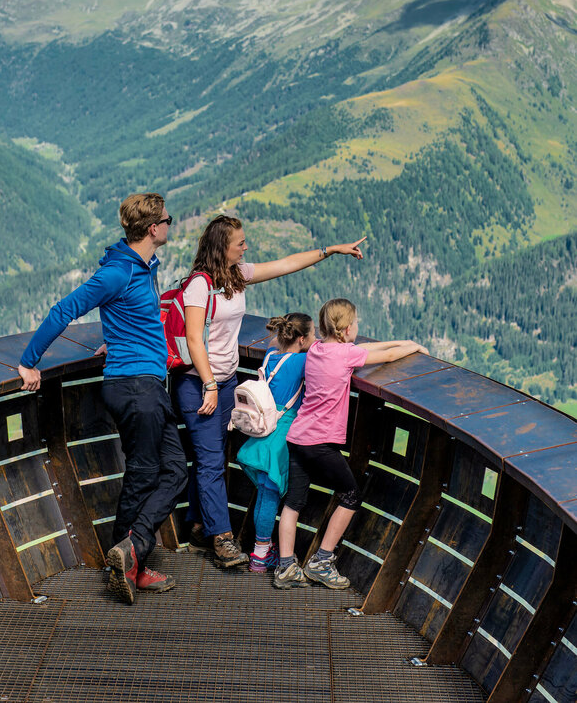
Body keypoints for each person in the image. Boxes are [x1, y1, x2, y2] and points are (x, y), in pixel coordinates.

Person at [16, 192, 188, 605]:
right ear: (152, 228)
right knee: (146, 474)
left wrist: (117, 339)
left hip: (143, 383)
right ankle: (130, 558)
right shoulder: (117, 272)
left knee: (175, 472)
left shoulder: (144, 266)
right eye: (168, 219)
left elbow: (133, 317)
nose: (170, 224)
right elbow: (64, 310)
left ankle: (130, 553)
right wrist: (28, 362)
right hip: (135, 389)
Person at [173, 215, 367, 569]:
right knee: (213, 461)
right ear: (222, 247)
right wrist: (210, 384)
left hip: (227, 381)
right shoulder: (198, 287)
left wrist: (330, 250)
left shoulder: (235, 277)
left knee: (209, 457)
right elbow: (193, 338)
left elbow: (285, 265)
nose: (246, 247)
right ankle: (222, 539)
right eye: (240, 243)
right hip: (199, 384)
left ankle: (198, 525)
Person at [274, 297, 429, 591]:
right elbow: (388, 355)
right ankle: (321, 562)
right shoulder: (346, 356)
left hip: (297, 438)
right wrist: (413, 347)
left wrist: (404, 340)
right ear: (346, 330)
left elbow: (368, 348)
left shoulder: (317, 348)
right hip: (321, 442)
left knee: (293, 504)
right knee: (351, 495)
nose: (359, 327)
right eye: (356, 323)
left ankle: (285, 567)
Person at [237, 312, 315, 573]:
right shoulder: (302, 361)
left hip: (262, 429)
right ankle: (260, 556)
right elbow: (322, 356)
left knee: (264, 491)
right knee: (270, 494)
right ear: (302, 339)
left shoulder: (271, 356)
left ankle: (262, 549)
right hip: (281, 433)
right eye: (312, 335)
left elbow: (274, 344)